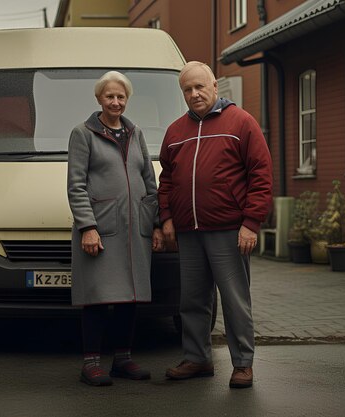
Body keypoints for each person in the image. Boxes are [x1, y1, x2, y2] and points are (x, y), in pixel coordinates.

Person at [158, 61, 273, 389]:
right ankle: (197, 358)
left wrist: (251, 223)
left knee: (236, 299)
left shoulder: (241, 122)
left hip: (229, 230)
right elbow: (166, 180)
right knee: (192, 301)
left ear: (214, 87)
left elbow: (261, 174)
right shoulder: (175, 131)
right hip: (189, 232)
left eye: (199, 87)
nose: (194, 94)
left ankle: (242, 364)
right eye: (187, 90)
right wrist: (166, 217)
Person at [67, 71, 164, 387]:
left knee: (129, 296)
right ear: (99, 99)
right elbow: (76, 185)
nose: (116, 101)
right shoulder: (83, 133)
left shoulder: (135, 134)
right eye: (110, 96)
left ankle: (123, 359)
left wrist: (157, 224)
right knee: (96, 296)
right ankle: (91, 363)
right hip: (101, 229)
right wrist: (87, 226)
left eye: (121, 96)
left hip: (134, 229)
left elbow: (150, 183)